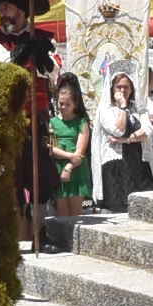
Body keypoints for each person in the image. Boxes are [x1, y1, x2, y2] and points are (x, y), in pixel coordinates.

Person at [95, 69, 153, 209]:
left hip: (138, 162)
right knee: (119, 207)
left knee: (142, 206)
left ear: (132, 89)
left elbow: (148, 130)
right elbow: (118, 130)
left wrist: (127, 140)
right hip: (116, 166)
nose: (122, 90)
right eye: (119, 87)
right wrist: (122, 106)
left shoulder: (138, 109)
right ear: (112, 89)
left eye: (126, 87)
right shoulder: (106, 110)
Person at [47, 72, 94, 215]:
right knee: (61, 212)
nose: (63, 107)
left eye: (67, 104)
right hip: (58, 168)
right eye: (61, 103)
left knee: (75, 212)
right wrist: (69, 155)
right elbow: (50, 148)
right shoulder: (52, 122)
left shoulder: (82, 122)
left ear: (75, 104)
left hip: (76, 170)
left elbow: (80, 153)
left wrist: (69, 166)